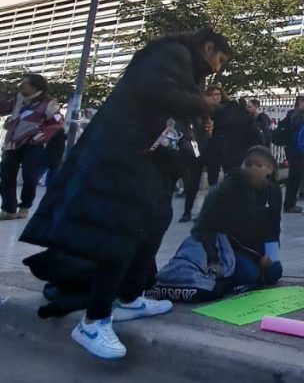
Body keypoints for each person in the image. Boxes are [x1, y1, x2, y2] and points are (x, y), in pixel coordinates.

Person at [21, 27, 229, 360]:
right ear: (207, 47)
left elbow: (171, 114)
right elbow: (154, 90)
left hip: (150, 163)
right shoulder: (171, 52)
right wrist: (200, 104)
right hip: (123, 159)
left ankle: (129, 297)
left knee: (157, 220)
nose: (217, 70)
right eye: (218, 60)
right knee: (121, 233)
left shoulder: (188, 75)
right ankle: (94, 320)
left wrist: (198, 119)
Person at [192, 146, 283, 293]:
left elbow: (274, 226)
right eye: (250, 164)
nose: (254, 169)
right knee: (251, 275)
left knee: (274, 273)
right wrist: (212, 259)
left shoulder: (273, 190)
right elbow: (206, 226)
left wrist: (271, 253)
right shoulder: (228, 188)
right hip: (232, 246)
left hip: (256, 247)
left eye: (261, 167)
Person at [1, 74, 62, 220]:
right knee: (6, 174)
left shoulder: (48, 102)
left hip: (32, 144)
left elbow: (56, 122)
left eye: (25, 84)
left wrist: (38, 137)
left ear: (36, 87)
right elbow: (4, 108)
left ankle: (24, 207)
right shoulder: (18, 99)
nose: (21, 86)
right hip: (12, 142)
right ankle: (9, 209)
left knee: (30, 177)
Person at [180, 85, 230, 223]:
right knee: (193, 181)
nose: (216, 97)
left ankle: (209, 212)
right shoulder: (197, 111)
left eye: (218, 95)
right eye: (212, 94)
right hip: (198, 148)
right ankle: (187, 211)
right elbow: (188, 126)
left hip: (215, 149)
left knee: (213, 181)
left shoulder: (223, 111)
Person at [282, 94, 304, 213]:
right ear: (300, 102)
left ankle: (291, 202)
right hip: (295, 149)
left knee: (297, 175)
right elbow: (299, 130)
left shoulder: (301, 114)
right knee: (295, 176)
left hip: (297, 148)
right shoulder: (297, 115)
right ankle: (290, 203)